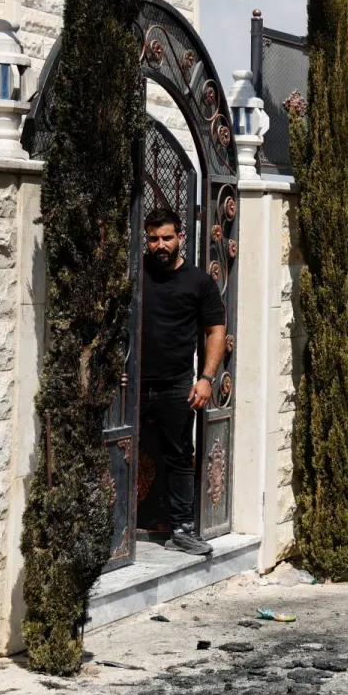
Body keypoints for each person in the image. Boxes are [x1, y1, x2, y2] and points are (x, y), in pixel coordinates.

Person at [139, 208, 226, 556]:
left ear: (181, 238)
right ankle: (120, 527)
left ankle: (182, 529)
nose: (160, 245)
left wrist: (207, 378)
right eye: (153, 238)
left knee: (178, 456)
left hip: (177, 384)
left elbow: (216, 330)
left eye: (166, 238)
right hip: (131, 384)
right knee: (125, 451)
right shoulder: (136, 271)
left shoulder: (198, 282)